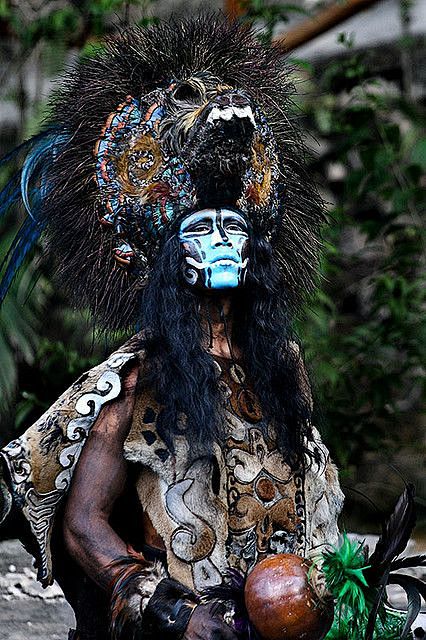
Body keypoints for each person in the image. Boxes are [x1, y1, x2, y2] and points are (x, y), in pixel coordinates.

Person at [0, 16, 344, 640]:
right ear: (166, 253)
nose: (221, 246)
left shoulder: (282, 367)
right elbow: (82, 525)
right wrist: (168, 609)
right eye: (202, 230)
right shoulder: (132, 381)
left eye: (233, 229)